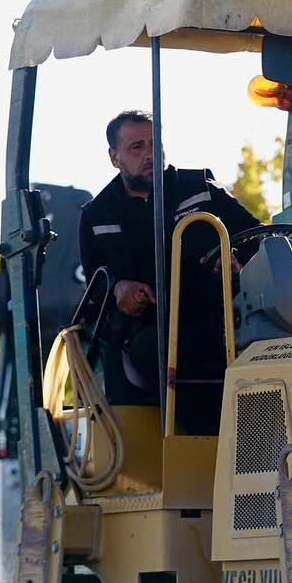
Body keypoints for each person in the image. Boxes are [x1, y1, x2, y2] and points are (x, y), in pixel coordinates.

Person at [79, 110, 262, 404]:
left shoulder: (200, 188)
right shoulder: (96, 214)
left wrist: (236, 256)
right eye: (137, 147)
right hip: (149, 330)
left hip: (222, 320)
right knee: (149, 349)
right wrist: (117, 289)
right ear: (114, 157)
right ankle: (206, 435)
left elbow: (259, 236)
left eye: (155, 143)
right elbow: (93, 285)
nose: (149, 154)